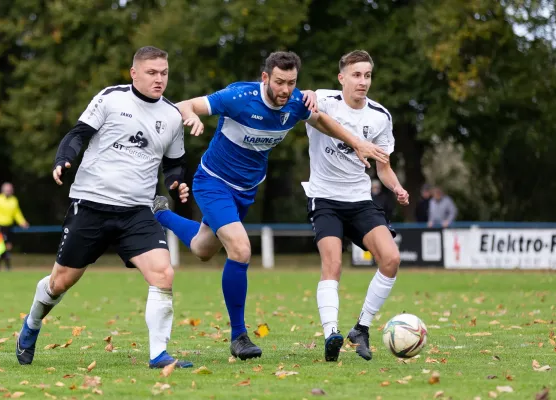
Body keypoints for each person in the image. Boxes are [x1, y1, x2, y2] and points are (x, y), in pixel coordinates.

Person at [153, 51, 389, 360]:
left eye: (291, 83)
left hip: (245, 191)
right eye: (279, 82)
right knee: (240, 249)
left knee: (202, 248)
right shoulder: (239, 97)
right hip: (213, 183)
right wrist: (191, 115)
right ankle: (239, 336)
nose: (285, 90)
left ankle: (159, 213)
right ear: (265, 78)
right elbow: (186, 105)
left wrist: (357, 143)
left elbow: (323, 121)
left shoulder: (294, 105)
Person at [16, 46, 193, 369]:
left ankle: (158, 354)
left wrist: (176, 183)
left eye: (164, 73)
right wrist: (63, 159)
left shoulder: (171, 115)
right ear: (134, 73)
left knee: (163, 274)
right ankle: (32, 323)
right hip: (92, 205)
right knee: (60, 283)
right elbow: (78, 134)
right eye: (152, 73)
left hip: (137, 212)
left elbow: (175, 163)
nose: (159, 80)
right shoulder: (111, 98)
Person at [301, 50, 409, 362]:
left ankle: (361, 328)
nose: (363, 82)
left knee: (391, 259)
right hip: (324, 198)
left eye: (367, 75)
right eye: (357, 75)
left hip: (360, 200)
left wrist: (397, 187)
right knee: (332, 264)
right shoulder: (323, 100)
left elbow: (382, 166)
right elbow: (306, 102)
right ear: (342, 78)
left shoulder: (379, 116)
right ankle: (331, 333)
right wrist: (306, 93)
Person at [0, 182, 30, 270]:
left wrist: (22, 222)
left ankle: (0, 264)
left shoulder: (14, 200)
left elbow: (17, 213)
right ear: (2, 190)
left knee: (8, 246)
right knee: (0, 247)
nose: (8, 192)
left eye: (10, 190)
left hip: (9, 226)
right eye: (7, 190)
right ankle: (4, 265)